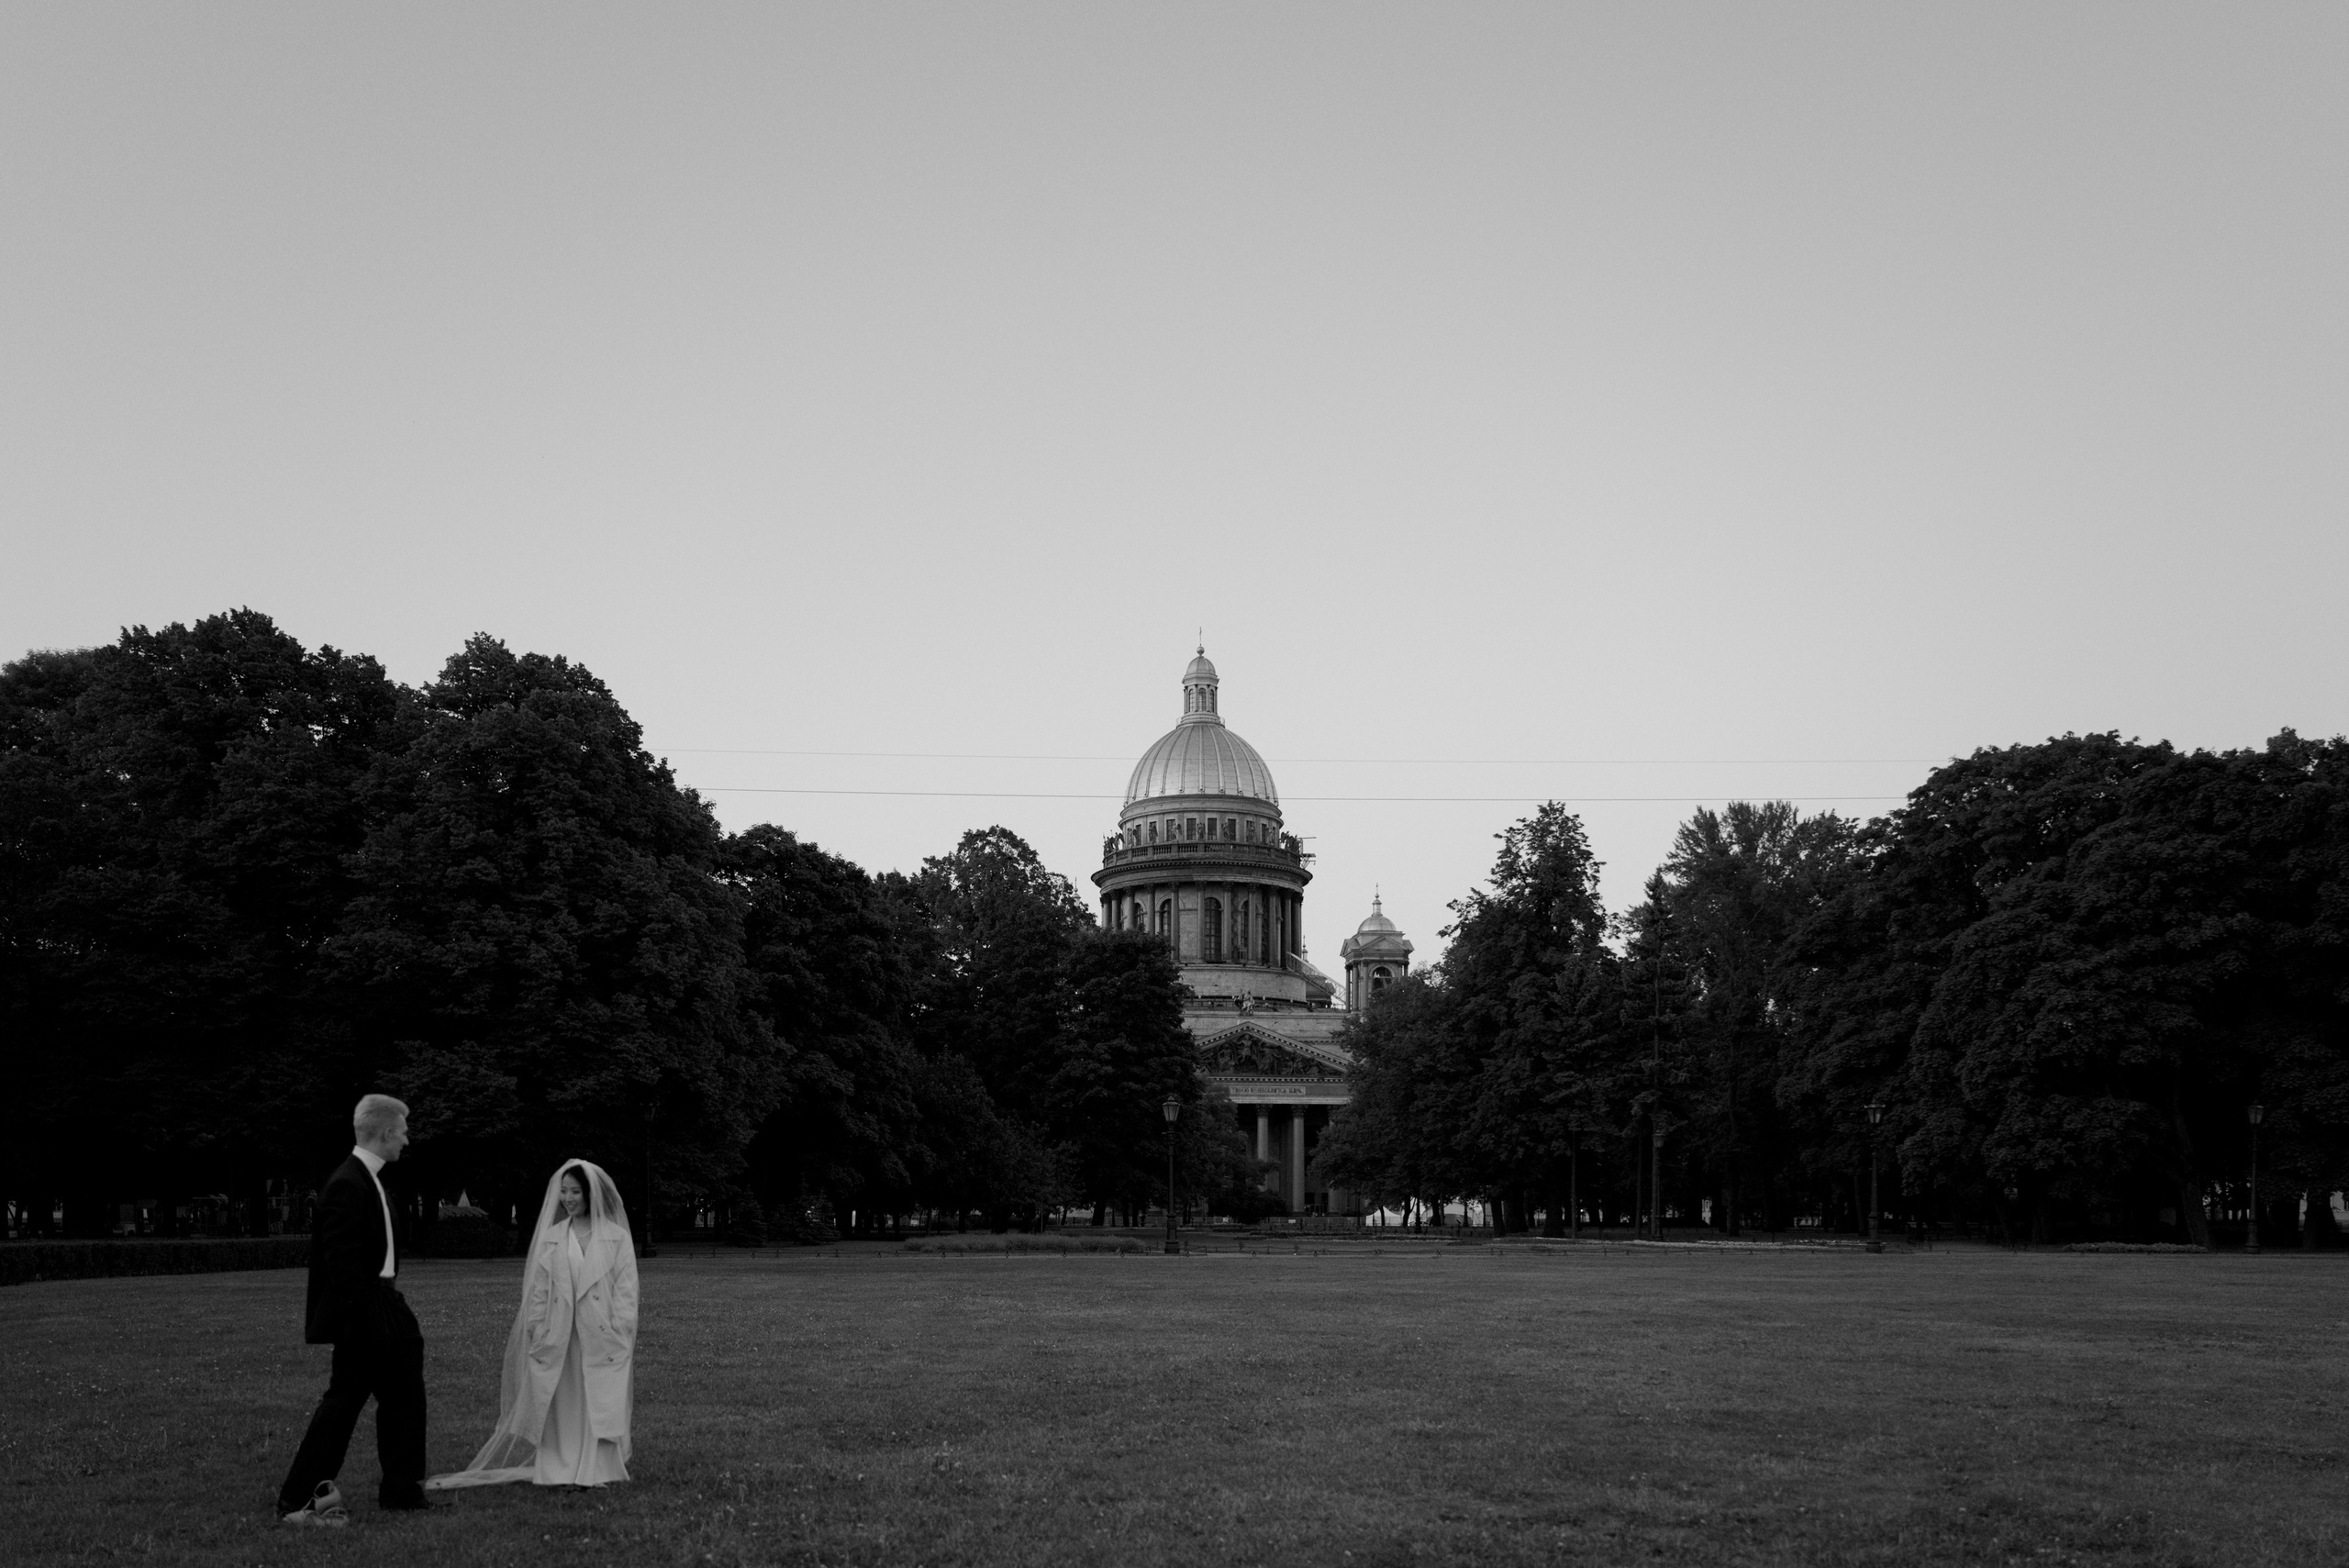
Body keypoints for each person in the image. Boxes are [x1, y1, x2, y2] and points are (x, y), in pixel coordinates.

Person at [428, 1160, 639, 1490]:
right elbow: (540, 1291)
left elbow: (626, 1292)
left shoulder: (617, 1238)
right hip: (559, 1333)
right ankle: (559, 1467)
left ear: (591, 1194)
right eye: (564, 1192)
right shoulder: (553, 1237)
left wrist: (620, 1328)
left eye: (576, 1191)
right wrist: (537, 1328)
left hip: (600, 1335)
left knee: (595, 1400)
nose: (568, 1198)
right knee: (560, 1401)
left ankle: (595, 1469)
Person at [276, 1094, 431, 1527]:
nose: (406, 1139)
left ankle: (402, 1489)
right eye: (402, 1132)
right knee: (343, 1403)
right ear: (384, 1133)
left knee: (405, 1394)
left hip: (385, 1300)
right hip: (364, 1309)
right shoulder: (349, 1182)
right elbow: (342, 1265)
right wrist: (368, 1320)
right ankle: (296, 1497)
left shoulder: (371, 1178)